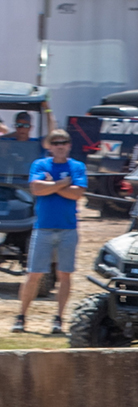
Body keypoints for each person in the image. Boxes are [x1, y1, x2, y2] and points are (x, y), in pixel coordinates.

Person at [13, 129, 85, 334]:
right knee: (34, 274)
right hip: (42, 227)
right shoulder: (40, 164)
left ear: (69, 145)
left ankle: (59, 318)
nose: (60, 146)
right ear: (50, 146)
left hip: (68, 228)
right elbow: (36, 189)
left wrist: (50, 185)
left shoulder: (77, 166)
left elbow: (77, 194)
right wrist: (63, 183)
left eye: (63, 142)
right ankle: (21, 316)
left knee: (65, 275)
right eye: (55, 143)